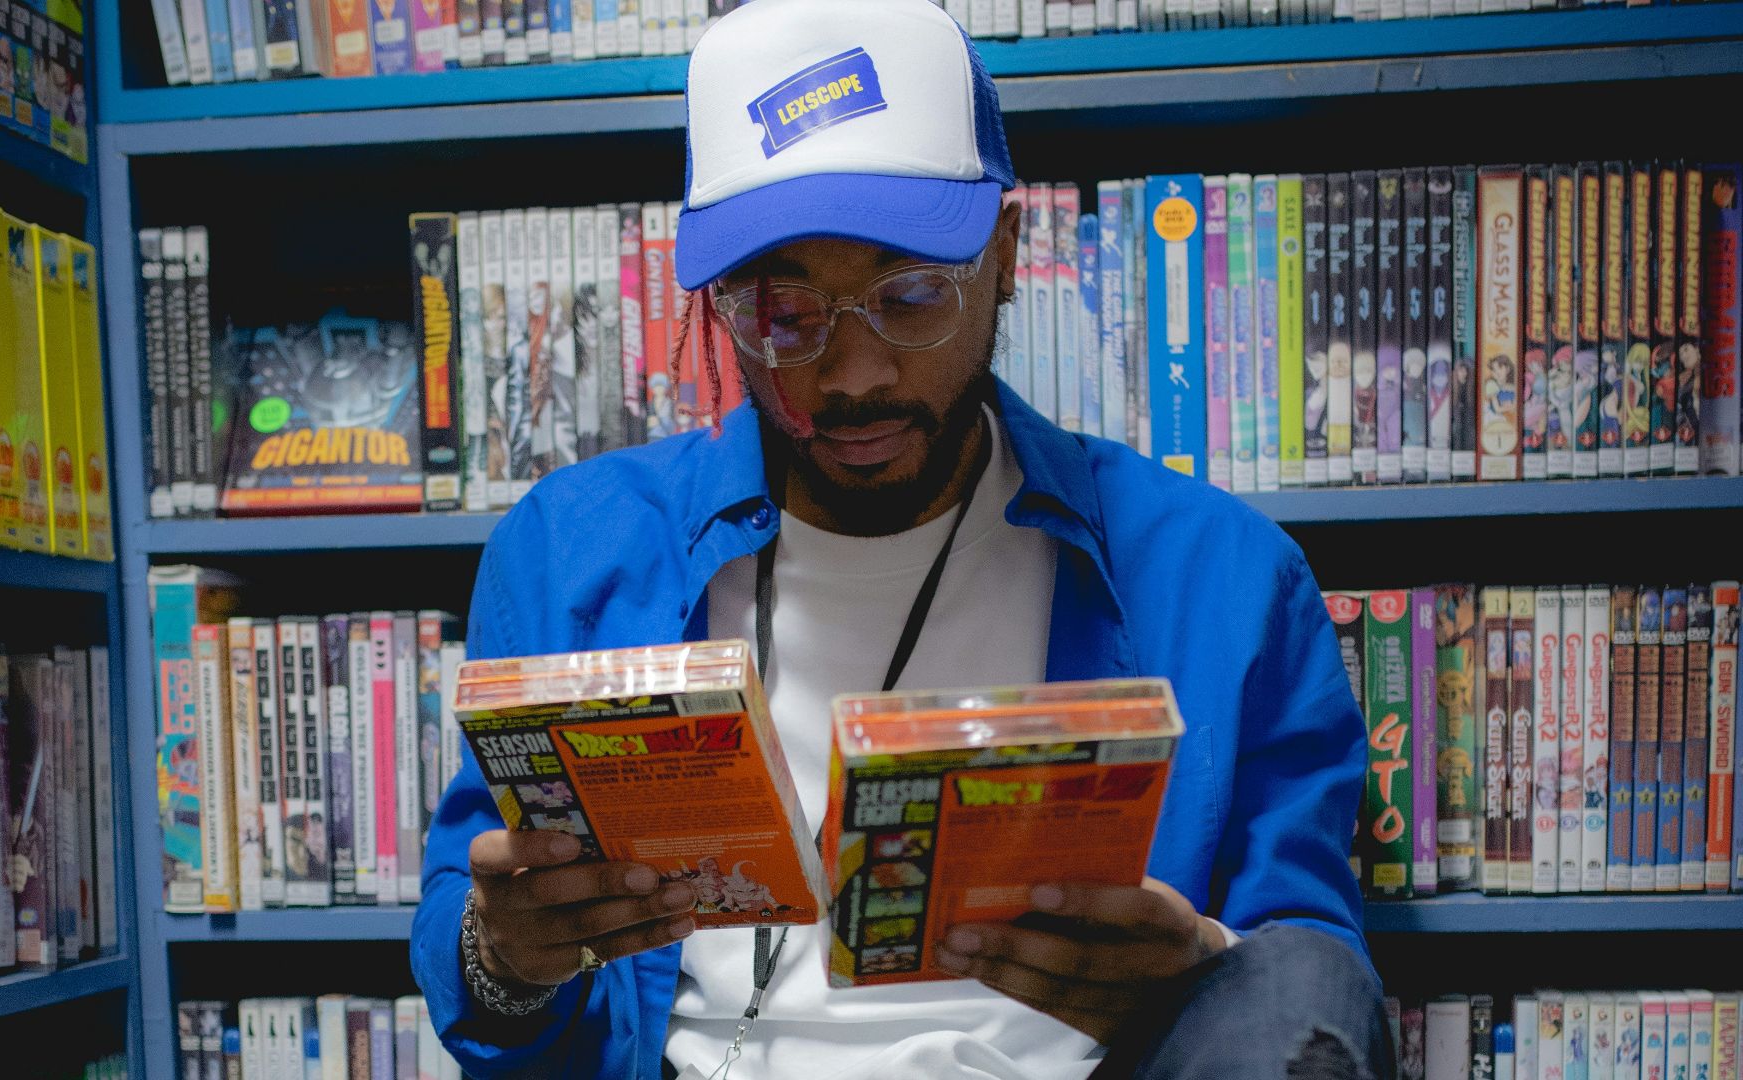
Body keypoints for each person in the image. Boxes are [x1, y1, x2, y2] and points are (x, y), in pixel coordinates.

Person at [411, 2, 1393, 1077]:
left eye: (913, 296)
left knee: (1301, 976)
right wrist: (504, 959)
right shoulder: (570, 551)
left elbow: (1306, 976)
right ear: (723, 305)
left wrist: (1206, 970)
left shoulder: (1223, 576)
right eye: (785, 312)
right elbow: (486, 967)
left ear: (1005, 255)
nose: (855, 375)